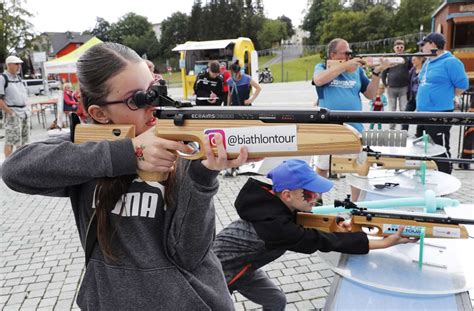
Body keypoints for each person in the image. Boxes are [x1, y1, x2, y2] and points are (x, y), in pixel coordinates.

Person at [2, 42, 249, 310]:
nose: (152, 106)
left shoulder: (181, 145)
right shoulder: (88, 152)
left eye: (153, 91)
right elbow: (14, 169)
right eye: (138, 99)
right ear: (99, 114)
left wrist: (203, 175)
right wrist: (129, 153)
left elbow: (189, 254)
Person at [214, 159, 415, 310]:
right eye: (309, 194)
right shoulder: (276, 226)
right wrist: (387, 243)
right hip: (213, 274)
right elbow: (322, 241)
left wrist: (338, 225)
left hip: (244, 268)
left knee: (276, 300)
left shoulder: (273, 205)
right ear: (287, 195)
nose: (316, 198)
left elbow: (314, 226)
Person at [312, 38, 393, 201]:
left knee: (357, 168)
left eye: (350, 53)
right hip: (329, 127)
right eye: (346, 53)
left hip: (354, 126)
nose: (349, 56)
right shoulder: (322, 67)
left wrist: (377, 72)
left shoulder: (356, 71)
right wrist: (344, 66)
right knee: (322, 167)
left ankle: (355, 206)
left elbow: (370, 94)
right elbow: (319, 80)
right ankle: (317, 201)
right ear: (333, 54)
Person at [416, 32, 469, 174]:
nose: (422, 48)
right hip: (422, 113)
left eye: (424, 45)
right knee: (426, 147)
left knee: (440, 147)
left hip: (440, 112)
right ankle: (431, 175)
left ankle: (446, 177)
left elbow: (462, 85)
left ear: (433, 45)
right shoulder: (428, 61)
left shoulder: (451, 62)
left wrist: (445, 97)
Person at [0, 55, 30, 158]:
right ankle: (8, 164)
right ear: (9, 65)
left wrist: (27, 109)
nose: (19, 66)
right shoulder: (2, 78)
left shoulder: (18, 78)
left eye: (20, 64)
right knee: (11, 140)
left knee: (23, 141)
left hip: (23, 112)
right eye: (16, 64)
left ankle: (19, 164)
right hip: (13, 112)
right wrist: (10, 112)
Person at [381, 39, 412, 130]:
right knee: (392, 109)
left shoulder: (407, 58)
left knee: (403, 109)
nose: (399, 49)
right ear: (394, 48)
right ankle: (391, 128)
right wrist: (385, 84)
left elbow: (411, 70)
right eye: (397, 47)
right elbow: (384, 71)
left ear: (403, 48)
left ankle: (404, 129)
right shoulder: (390, 58)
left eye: (401, 47)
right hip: (391, 87)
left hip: (404, 87)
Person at [402, 54, 426, 132]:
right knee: (406, 115)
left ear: (421, 60)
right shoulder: (412, 70)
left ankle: (419, 134)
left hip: (422, 97)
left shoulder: (426, 70)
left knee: (421, 117)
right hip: (412, 97)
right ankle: (404, 132)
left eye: (414, 59)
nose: (412, 61)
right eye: (412, 59)